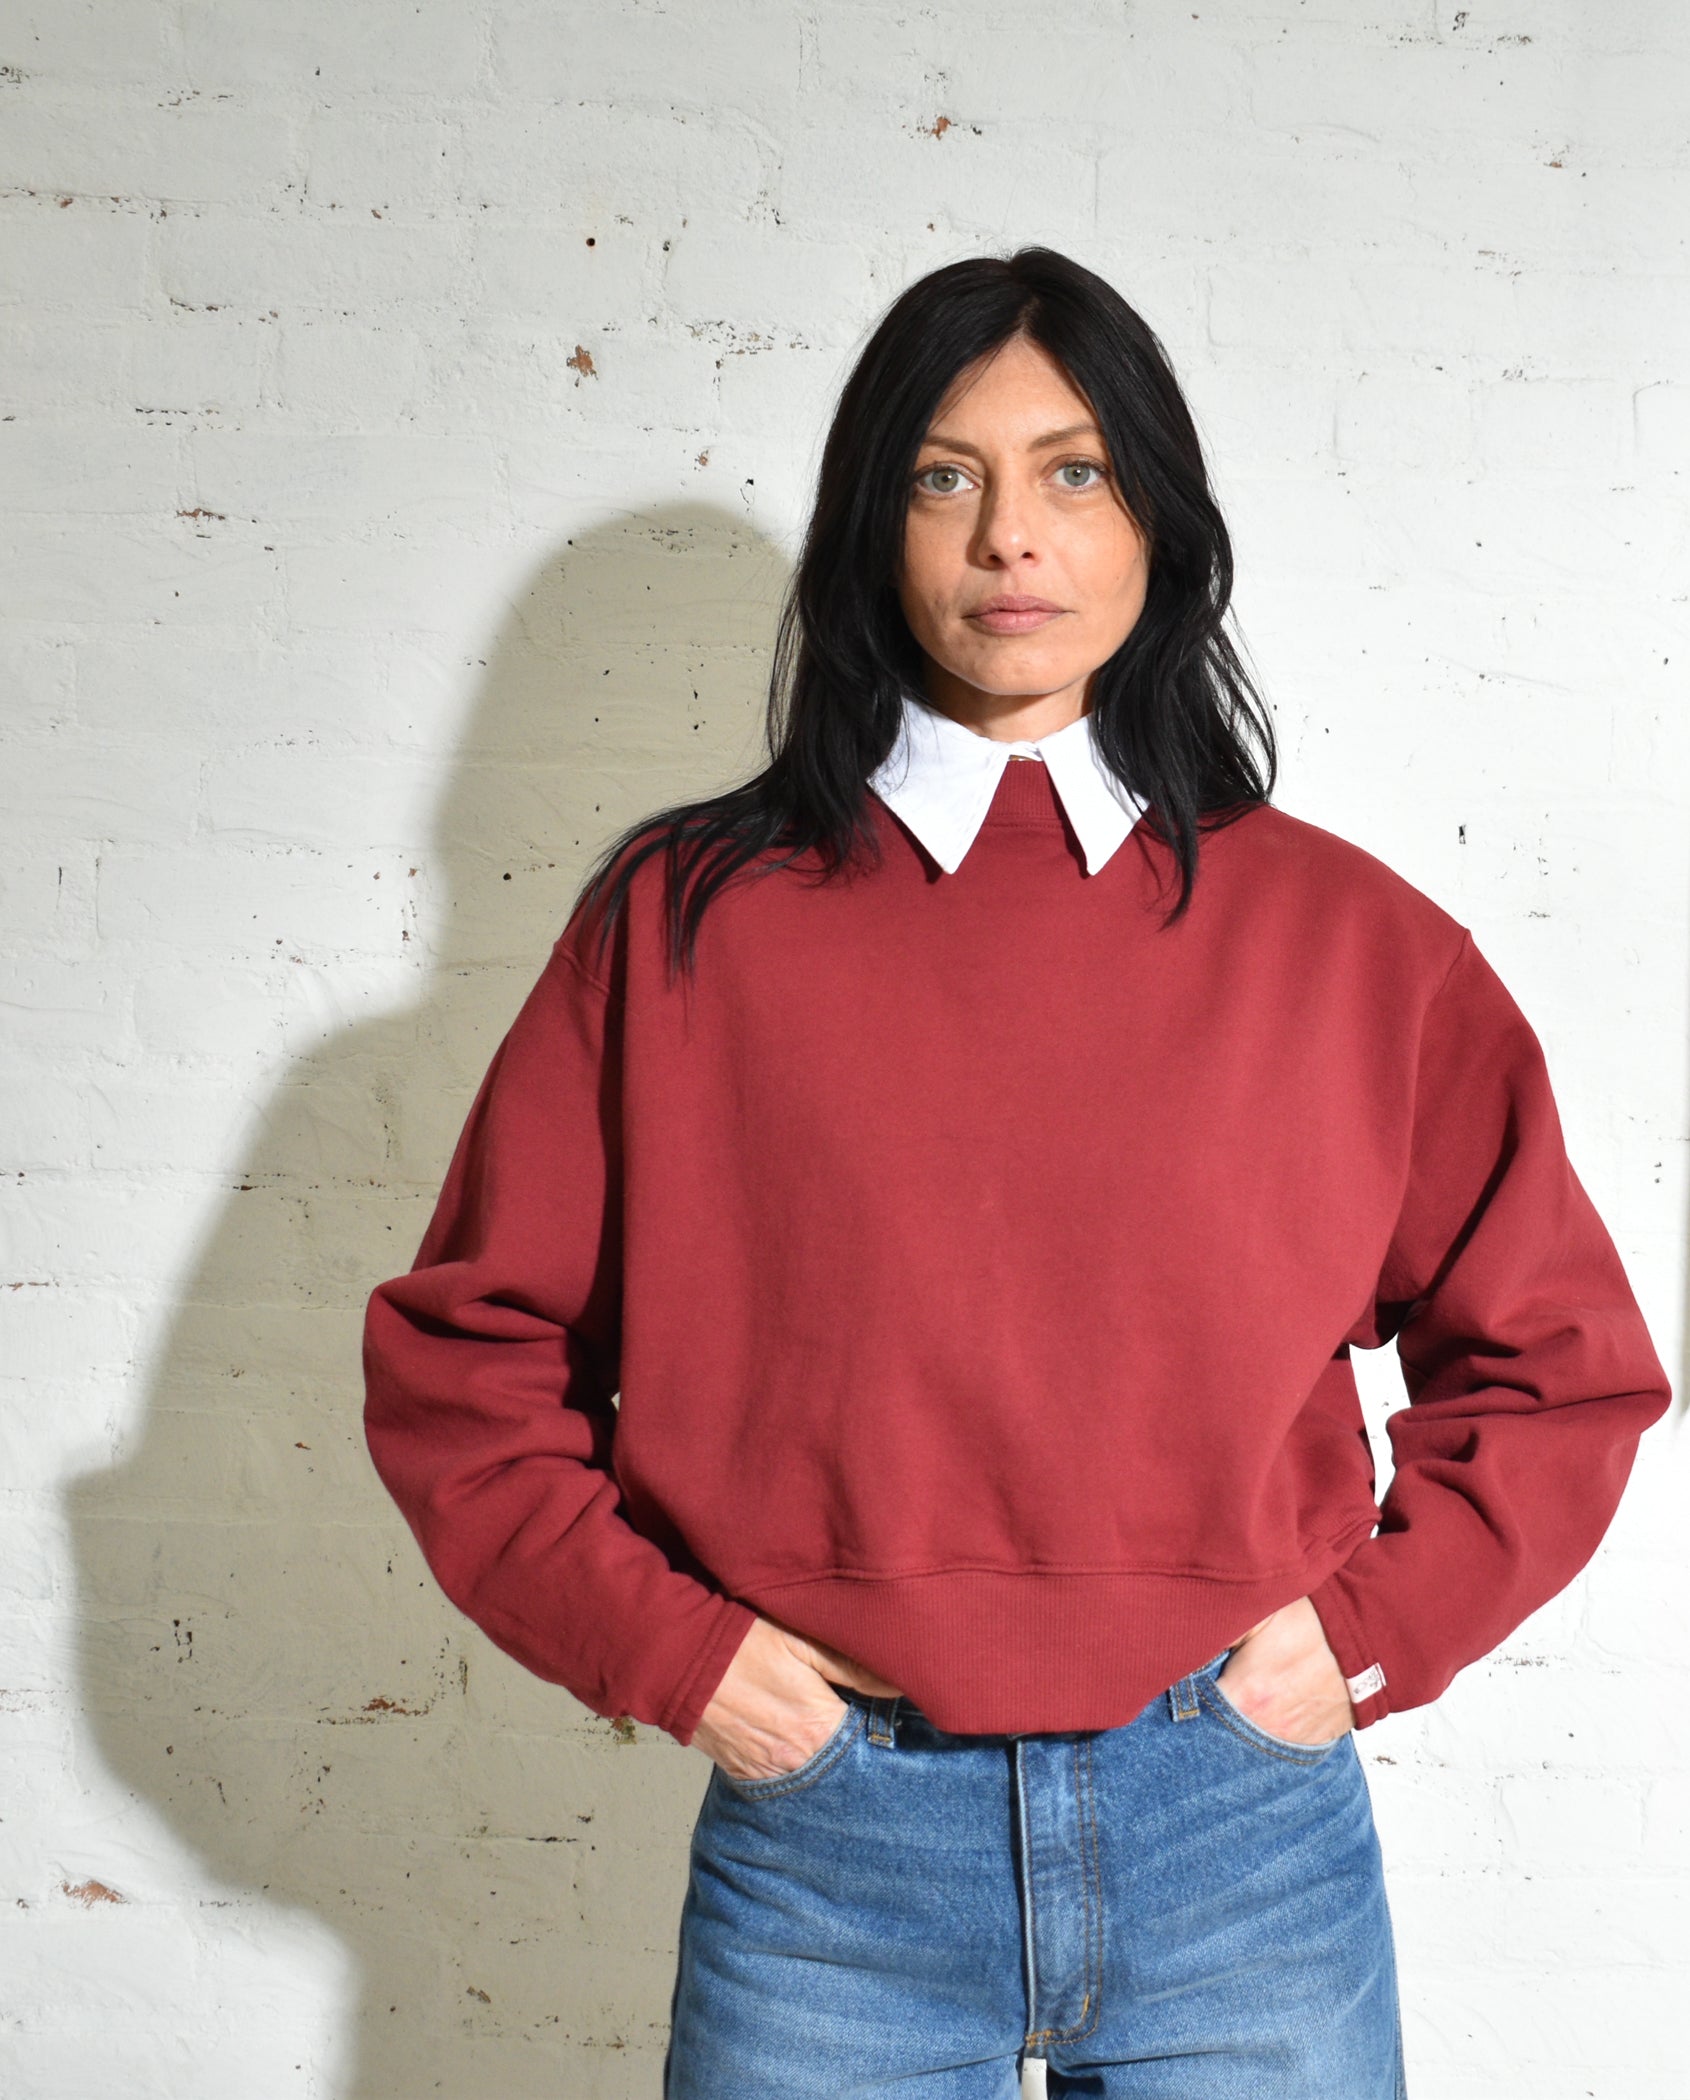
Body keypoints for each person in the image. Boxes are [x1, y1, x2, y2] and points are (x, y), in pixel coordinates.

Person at [360, 247, 1671, 2097]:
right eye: (942, 476)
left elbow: (1561, 1368)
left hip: (1241, 1836)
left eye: (1074, 472)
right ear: (872, 522)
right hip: (832, 1852)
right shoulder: (683, 929)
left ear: (1157, 523)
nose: (1009, 538)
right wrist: (680, 1659)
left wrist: (1363, 1640)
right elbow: (465, 1368)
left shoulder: (1352, 945)